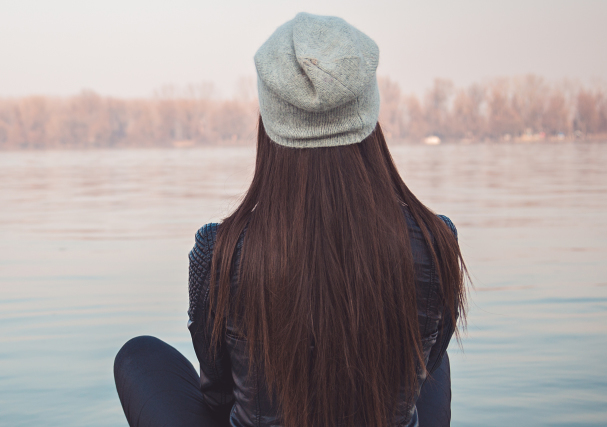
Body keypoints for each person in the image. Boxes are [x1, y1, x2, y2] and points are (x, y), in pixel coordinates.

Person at [113, 13, 466, 427]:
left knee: (139, 356)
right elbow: (432, 359)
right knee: (425, 355)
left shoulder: (219, 250)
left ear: (269, 121)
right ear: (370, 114)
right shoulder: (436, 238)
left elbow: (218, 391)